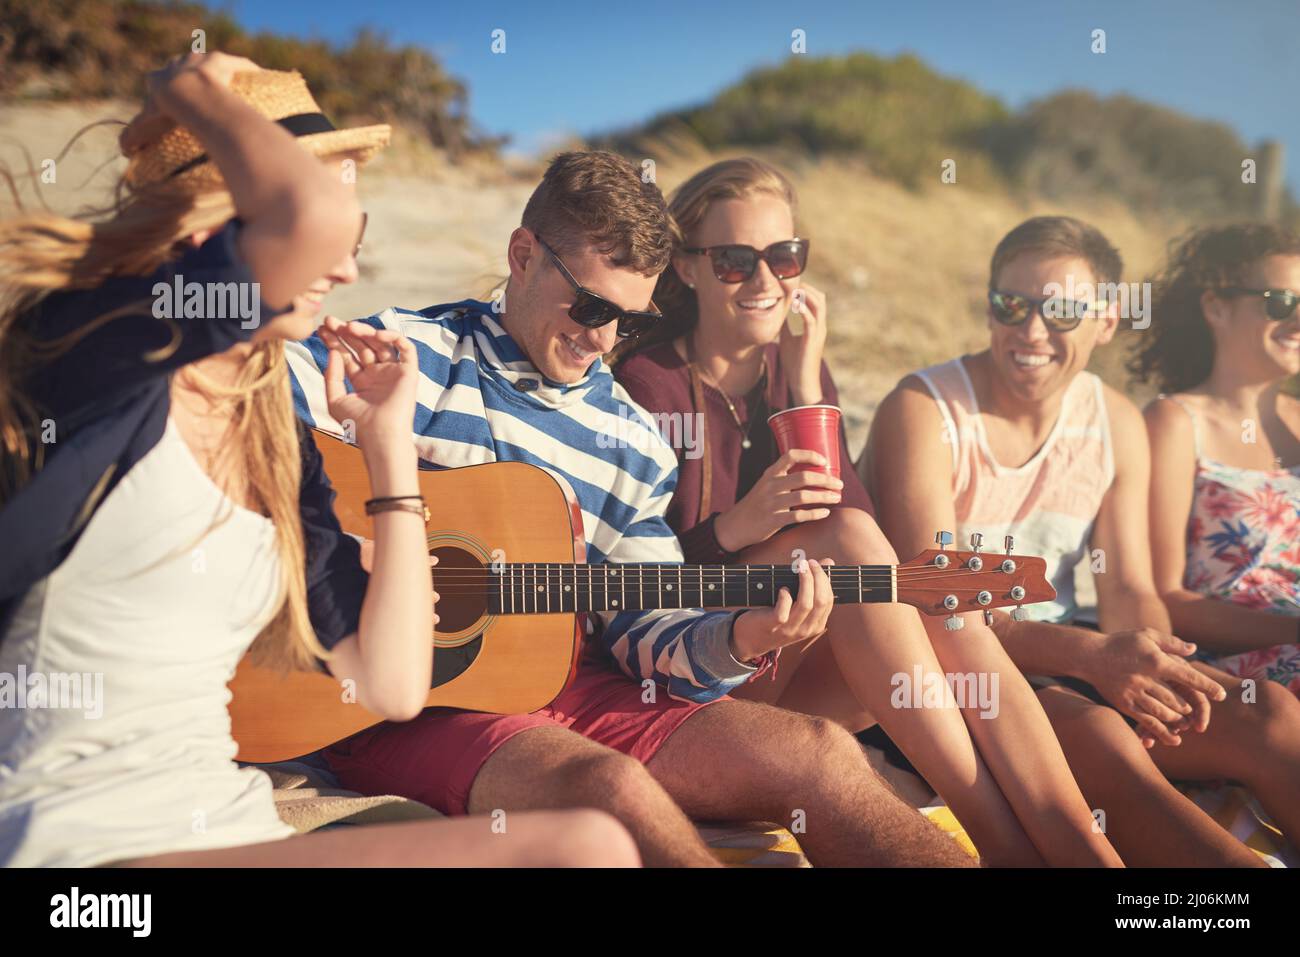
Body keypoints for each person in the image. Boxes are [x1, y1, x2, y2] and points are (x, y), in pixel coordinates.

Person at [0, 53, 637, 868]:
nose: (344, 267)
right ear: (208, 229)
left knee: (590, 841)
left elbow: (394, 681)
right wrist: (189, 88)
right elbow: (307, 225)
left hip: (223, 821)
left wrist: (386, 450)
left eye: (357, 233)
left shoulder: (272, 430)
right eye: (335, 229)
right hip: (75, 853)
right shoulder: (106, 347)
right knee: (576, 849)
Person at [286, 149, 977, 868]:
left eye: (628, 321)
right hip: (403, 703)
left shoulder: (633, 441)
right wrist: (344, 550)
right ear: (523, 255)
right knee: (609, 786)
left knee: (824, 755)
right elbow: (233, 417)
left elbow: (646, 626)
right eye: (590, 306)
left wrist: (744, 634)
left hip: (572, 687)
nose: (603, 339)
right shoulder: (406, 355)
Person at [612, 158, 1120, 867]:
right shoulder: (648, 382)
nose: (766, 283)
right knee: (873, 557)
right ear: (690, 268)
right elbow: (622, 591)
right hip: (686, 680)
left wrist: (800, 381)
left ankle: (1079, 849)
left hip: (783, 661)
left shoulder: (800, 366)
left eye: (785, 258)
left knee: (939, 604)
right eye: (734, 262)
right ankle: (1006, 844)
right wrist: (736, 528)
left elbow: (849, 521)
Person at [864, 215, 1300, 866]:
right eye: (1011, 305)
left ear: (1107, 320)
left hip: (1064, 658)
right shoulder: (925, 410)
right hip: (946, 679)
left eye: (1062, 311)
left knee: (1265, 711)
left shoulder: (1115, 420)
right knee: (1098, 734)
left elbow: (1128, 588)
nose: (1031, 332)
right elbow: (936, 609)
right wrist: (1093, 657)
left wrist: (1157, 663)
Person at [1136, 224, 1300, 697]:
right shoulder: (1175, 422)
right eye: (1281, 302)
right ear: (1216, 308)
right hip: (1238, 666)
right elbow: (1165, 597)